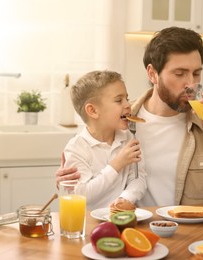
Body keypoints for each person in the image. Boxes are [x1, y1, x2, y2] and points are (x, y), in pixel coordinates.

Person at [57, 27, 203, 207]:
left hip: (192, 240)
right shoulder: (120, 120)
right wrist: (69, 183)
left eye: (196, 73)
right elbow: (90, 172)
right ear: (152, 74)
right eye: (180, 74)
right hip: (136, 238)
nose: (191, 84)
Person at [63, 70, 147, 210]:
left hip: (122, 218)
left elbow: (138, 178)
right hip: (89, 224)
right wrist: (116, 164)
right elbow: (82, 195)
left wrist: (126, 198)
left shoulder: (128, 138)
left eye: (127, 98)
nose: (128, 105)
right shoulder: (76, 148)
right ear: (93, 111)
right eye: (119, 100)